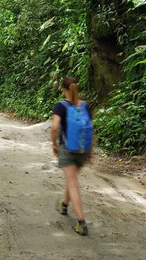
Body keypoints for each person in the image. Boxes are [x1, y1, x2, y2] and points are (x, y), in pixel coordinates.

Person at [51, 76, 93, 236]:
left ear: (64, 89)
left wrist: (54, 144)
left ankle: (81, 222)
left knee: (73, 182)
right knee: (72, 178)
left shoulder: (61, 106)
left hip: (67, 149)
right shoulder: (85, 106)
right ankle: (64, 205)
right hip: (83, 149)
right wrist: (90, 152)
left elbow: (54, 127)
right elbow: (91, 129)